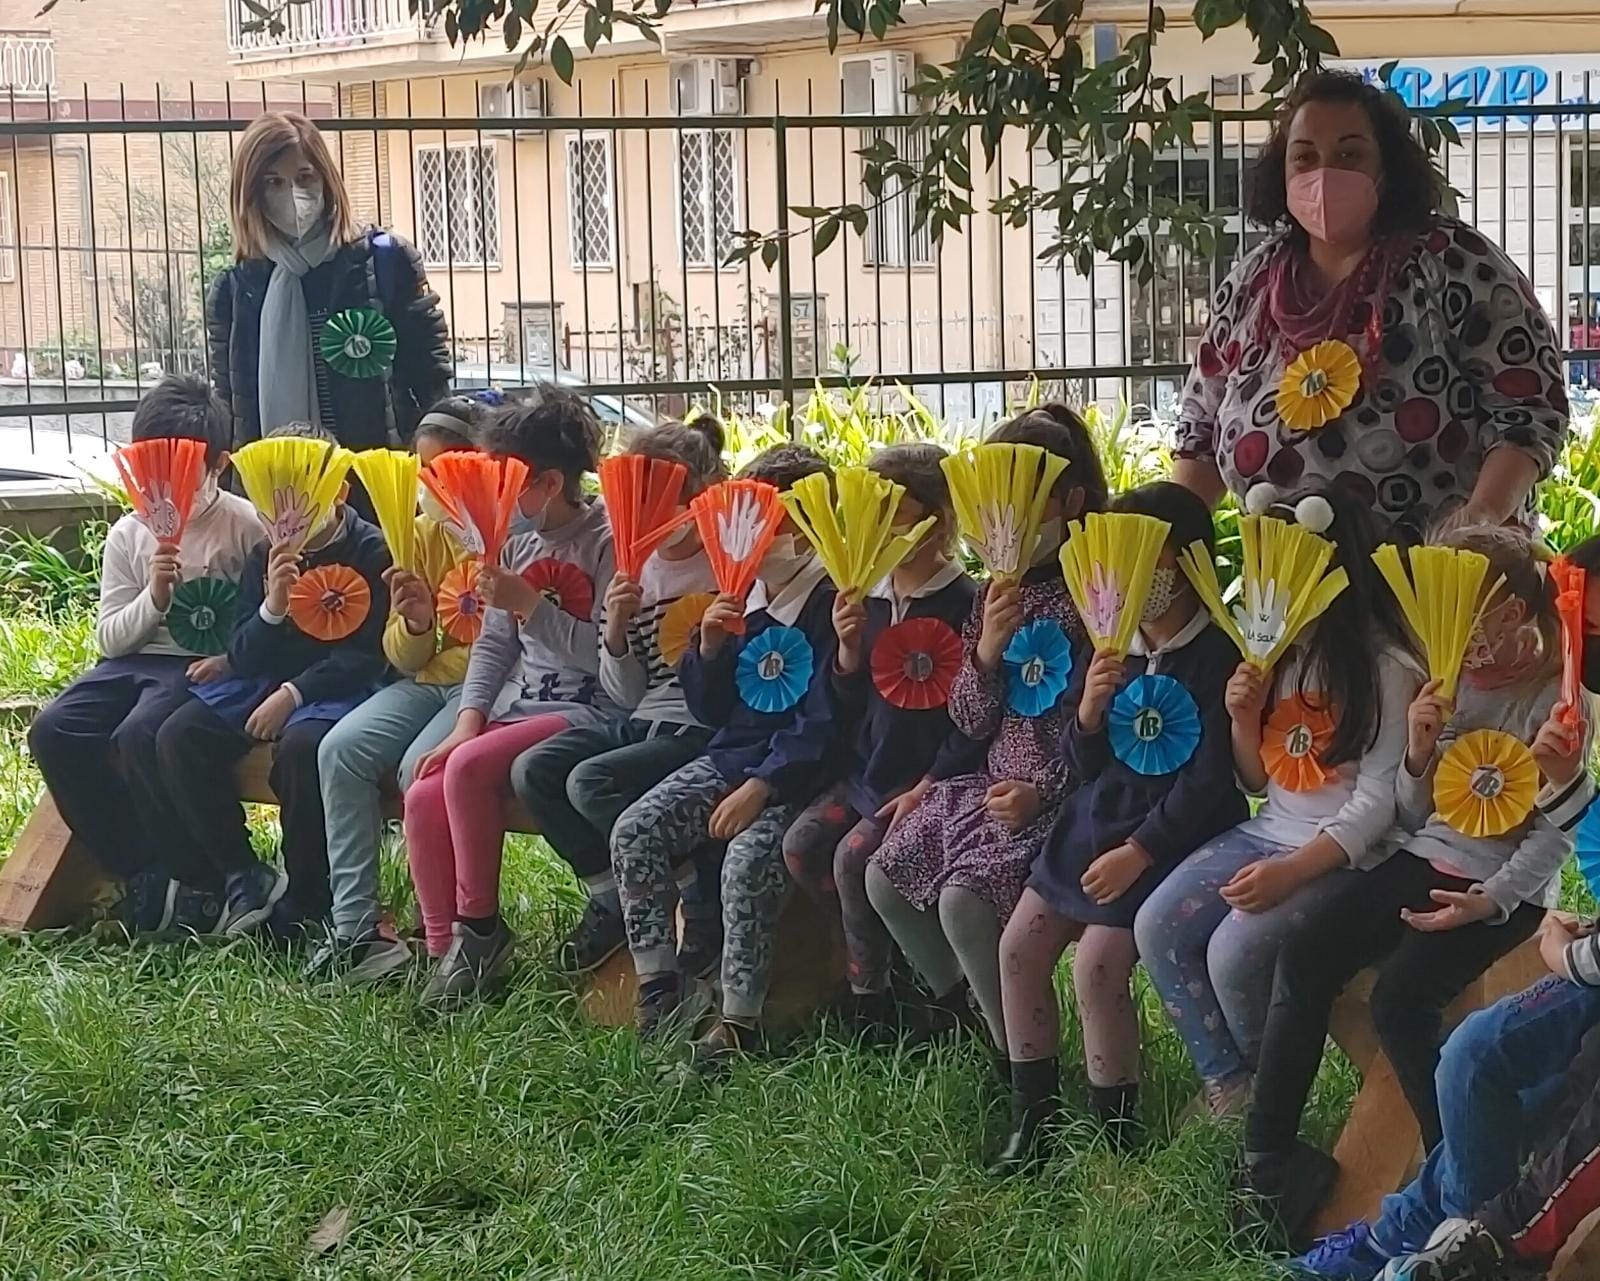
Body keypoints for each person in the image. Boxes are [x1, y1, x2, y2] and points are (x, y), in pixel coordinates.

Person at [1244, 525, 1581, 1246]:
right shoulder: (1445, 678)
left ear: (1520, 613)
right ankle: (1267, 1159)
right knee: (1305, 954)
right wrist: (1421, 750)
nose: (1473, 645)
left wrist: (1489, 902)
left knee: (1402, 998)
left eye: (1485, 623)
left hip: (1503, 889)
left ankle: (1459, 1182)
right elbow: (1405, 815)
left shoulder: (1561, 697)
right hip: (1421, 856)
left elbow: (1556, 839)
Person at [1170, 70, 1568, 542]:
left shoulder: (1453, 260)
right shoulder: (1251, 282)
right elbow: (1199, 435)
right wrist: (1162, 537)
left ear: (1387, 167)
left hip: (1436, 587)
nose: (1324, 172)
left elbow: (1528, 411)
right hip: (1287, 593)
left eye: (1349, 154)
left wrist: (1478, 521)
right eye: (1304, 157)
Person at [1134, 486, 1420, 1121]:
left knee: (1233, 953)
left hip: (1350, 857)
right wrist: (1242, 719)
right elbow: (1257, 782)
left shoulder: (1389, 669)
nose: (1270, 581)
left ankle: (1270, 1107)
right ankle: (1230, 1085)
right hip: (1271, 832)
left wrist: (1291, 873)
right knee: (1158, 925)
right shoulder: (1279, 652)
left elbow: (1380, 807)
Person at [992, 481, 1247, 1168]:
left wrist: (1142, 850)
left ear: (1188, 562)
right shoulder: (1111, 641)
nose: (1136, 578)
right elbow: (1082, 763)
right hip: (1092, 825)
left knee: (1099, 967)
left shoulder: (1219, 654)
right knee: (1019, 948)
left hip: (1172, 837)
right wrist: (1087, 715)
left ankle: (1113, 1134)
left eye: (1152, 559)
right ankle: (1033, 1116)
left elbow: (1211, 780)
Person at [865, 406, 1106, 1057]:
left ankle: (1022, 1062)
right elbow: (970, 718)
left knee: (964, 903)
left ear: (1070, 499)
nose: (1010, 522)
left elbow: (1097, 725)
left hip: (1064, 794)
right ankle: (973, 1012)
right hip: (990, 779)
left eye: (1028, 503)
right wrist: (986, 652)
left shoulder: (1099, 591)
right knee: (884, 874)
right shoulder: (991, 594)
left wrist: (1044, 793)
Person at [610, 445, 838, 1055]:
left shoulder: (833, 601)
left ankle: (740, 1020)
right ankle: (663, 986)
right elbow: (714, 713)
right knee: (636, 831)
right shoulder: (746, 595)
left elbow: (827, 720)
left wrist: (763, 785)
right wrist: (708, 649)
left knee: (747, 860)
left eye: (773, 521)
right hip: (733, 761)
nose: (758, 536)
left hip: (806, 776)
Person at [400, 392, 617, 1011]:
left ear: (549, 482)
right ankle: (448, 952)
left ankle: (482, 930)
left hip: (586, 708)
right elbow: (493, 650)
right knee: (425, 786)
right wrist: (465, 723)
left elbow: (604, 660)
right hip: (518, 709)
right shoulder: (512, 543)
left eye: (510, 484)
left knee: (467, 770)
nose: (498, 500)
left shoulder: (604, 540)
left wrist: (529, 605)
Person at [27, 375, 266, 934]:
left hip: (201, 669)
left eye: (183, 471)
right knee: (53, 730)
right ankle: (139, 867)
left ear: (218, 465)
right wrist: (154, 598)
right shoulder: (128, 534)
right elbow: (111, 639)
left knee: (141, 734)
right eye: (151, 471)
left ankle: (201, 873)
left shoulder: (242, 525)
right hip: (134, 661)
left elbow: (258, 628)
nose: (165, 489)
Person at [151, 422, 391, 937]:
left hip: (336, 690)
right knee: (179, 735)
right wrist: (272, 608)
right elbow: (242, 650)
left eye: (301, 500)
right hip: (262, 683)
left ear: (338, 493)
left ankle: (308, 899)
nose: (286, 518)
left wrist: (294, 693)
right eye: (272, 502)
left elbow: (369, 655)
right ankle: (241, 872)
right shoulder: (265, 554)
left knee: (303, 749)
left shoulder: (372, 551)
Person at [511, 417, 725, 979]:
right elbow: (625, 693)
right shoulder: (640, 571)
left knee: (591, 782)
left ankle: (692, 893)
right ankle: (609, 893)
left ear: (696, 496)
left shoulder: (726, 562)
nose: (656, 520)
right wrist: (615, 631)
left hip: (700, 728)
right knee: (535, 770)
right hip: (644, 718)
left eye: (668, 503)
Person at [781, 443, 979, 1041]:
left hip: (928, 780)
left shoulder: (965, 602)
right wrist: (845, 652)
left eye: (896, 511)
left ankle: (880, 1007)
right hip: (866, 775)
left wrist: (928, 784)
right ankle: (874, 967)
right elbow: (842, 705)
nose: (883, 527)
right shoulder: (865, 598)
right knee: (801, 847)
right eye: (875, 512)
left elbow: (974, 718)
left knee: (852, 859)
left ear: (937, 521)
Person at [307, 396, 486, 985]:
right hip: (429, 684)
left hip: (487, 687)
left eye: (448, 467)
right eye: (423, 469)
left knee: (419, 769)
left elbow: (511, 645)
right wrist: (414, 623)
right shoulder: (419, 533)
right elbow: (405, 659)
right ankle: (357, 930)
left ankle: (459, 932)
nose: (434, 483)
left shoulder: (502, 531)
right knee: (340, 750)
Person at [207, 111, 451, 459]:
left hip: (375, 484)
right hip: (280, 489)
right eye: (273, 182)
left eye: (304, 177)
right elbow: (231, 406)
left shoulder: (386, 262)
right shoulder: (234, 291)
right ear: (250, 194)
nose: (293, 194)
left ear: (327, 180)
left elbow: (431, 377)